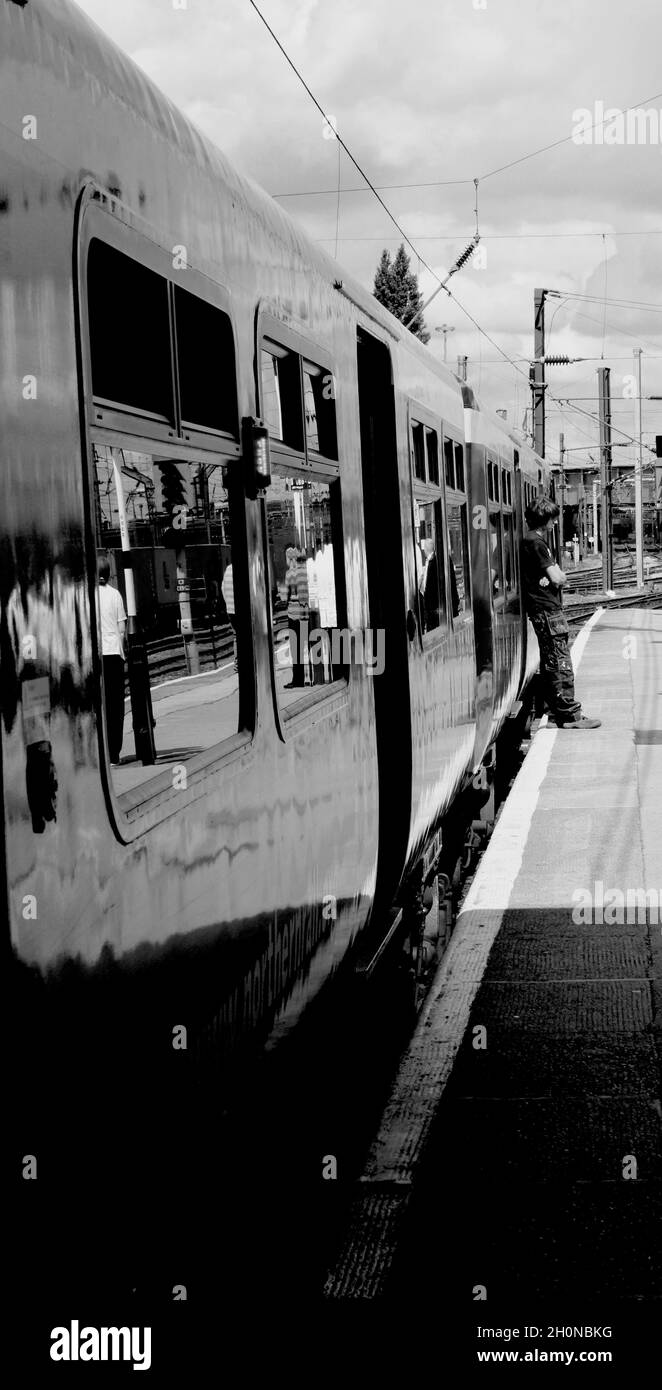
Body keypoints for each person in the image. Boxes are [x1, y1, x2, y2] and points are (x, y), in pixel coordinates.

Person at [521, 497, 600, 730]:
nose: (555, 522)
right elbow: (558, 577)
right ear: (544, 519)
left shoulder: (531, 541)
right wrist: (556, 576)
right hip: (547, 610)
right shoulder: (536, 543)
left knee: (552, 661)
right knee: (559, 661)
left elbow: (552, 576)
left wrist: (553, 576)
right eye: (553, 518)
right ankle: (569, 715)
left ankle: (560, 710)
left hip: (542, 609)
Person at [97, 557, 127, 764]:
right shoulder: (115, 594)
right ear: (108, 574)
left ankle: (101, 753)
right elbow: (122, 629)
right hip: (113, 654)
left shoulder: (86, 596)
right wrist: (121, 650)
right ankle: (114, 754)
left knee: (99, 706)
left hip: (95, 657)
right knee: (115, 706)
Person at [221, 561, 238, 673]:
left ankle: (237, 664)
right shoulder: (245, 568)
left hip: (230, 609)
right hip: (241, 610)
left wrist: (228, 603)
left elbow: (223, 588)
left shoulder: (228, 569)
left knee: (236, 637)